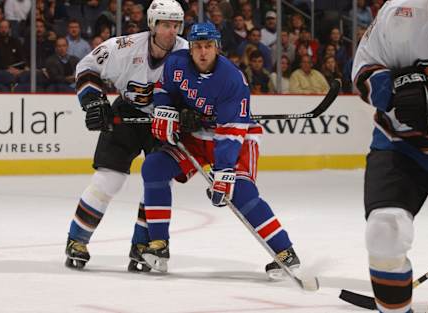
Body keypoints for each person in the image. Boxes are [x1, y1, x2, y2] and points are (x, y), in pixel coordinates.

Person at [139, 22, 301, 279]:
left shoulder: (232, 79)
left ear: (217, 48)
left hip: (235, 137)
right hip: (195, 137)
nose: (203, 52)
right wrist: (167, 109)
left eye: (208, 46)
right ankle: (159, 246)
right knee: (154, 167)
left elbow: (231, 131)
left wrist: (224, 172)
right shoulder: (175, 63)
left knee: (240, 191)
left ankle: (285, 252)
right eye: (198, 46)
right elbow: (163, 89)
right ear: (190, 48)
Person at [351, 0, 428, 312]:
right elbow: (363, 71)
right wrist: (393, 89)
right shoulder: (401, 11)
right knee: (384, 230)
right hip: (401, 145)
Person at [64, 0, 188, 272]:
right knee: (109, 179)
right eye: (165, 24)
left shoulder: (187, 53)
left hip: (164, 122)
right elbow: (86, 67)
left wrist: (193, 112)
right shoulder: (124, 47)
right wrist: (94, 102)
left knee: (156, 182)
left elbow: (205, 87)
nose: (171, 31)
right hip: (126, 114)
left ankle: (142, 245)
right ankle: (77, 240)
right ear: (152, 25)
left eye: (176, 25)